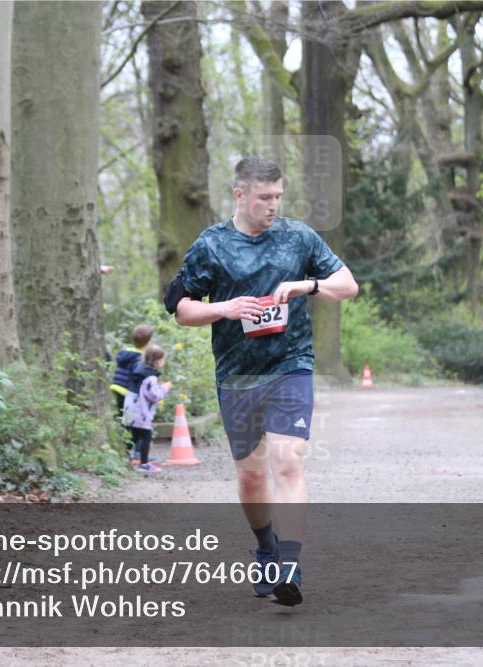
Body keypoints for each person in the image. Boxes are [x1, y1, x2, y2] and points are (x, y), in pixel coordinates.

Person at [166, 156, 359, 606]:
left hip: (291, 364)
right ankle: (268, 552)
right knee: (252, 476)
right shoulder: (211, 246)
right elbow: (180, 311)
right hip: (237, 374)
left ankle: (289, 566)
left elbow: (347, 284)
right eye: (263, 198)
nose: (273, 206)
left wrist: (305, 286)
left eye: (278, 197)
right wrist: (225, 309)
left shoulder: (298, 237)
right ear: (239, 195)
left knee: (288, 461)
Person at [121, 344, 172, 473]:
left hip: (130, 408)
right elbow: (154, 395)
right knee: (145, 436)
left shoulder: (139, 370)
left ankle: (122, 456)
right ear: (157, 360)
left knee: (133, 436)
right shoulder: (150, 377)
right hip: (141, 411)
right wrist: (165, 387)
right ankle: (144, 463)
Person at [111, 324, 155, 458]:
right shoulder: (140, 357)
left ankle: (126, 448)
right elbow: (138, 376)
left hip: (119, 390)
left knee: (126, 421)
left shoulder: (126, 353)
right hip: (131, 395)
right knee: (138, 422)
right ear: (148, 342)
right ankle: (138, 452)